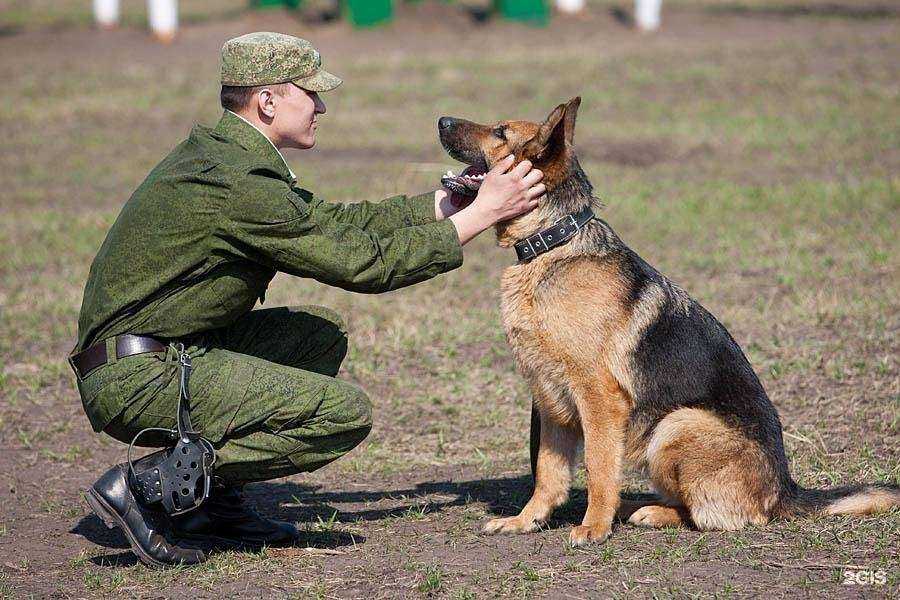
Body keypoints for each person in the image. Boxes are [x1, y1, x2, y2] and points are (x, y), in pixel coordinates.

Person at [68, 32, 545, 567]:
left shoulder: (230, 157)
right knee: (341, 415)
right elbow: (358, 264)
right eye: (310, 92)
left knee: (314, 337)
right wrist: (481, 216)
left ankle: (208, 507)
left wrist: (447, 203)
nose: (321, 105)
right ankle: (146, 487)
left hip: (158, 352)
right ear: (267, 100)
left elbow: (336, 227)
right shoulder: (238, 180)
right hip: (137, 377)